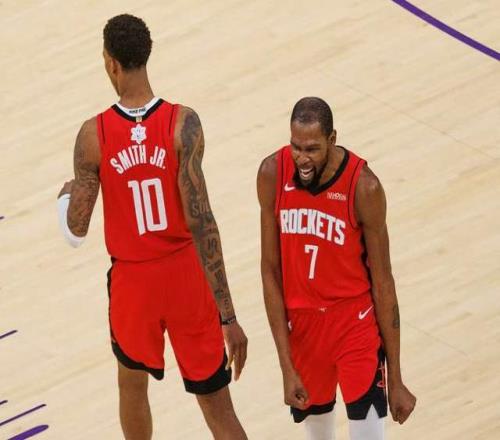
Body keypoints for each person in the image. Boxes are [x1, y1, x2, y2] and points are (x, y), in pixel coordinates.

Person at [57, 14, 248, 440]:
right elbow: (203, 221)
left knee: (131, 386)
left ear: (110, 63)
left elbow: (75, 232)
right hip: (186, 276)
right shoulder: (183, 124)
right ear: (146, 56)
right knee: (218, 406)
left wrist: (65, 199)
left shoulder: (93, 135)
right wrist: (229, 315)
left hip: (133, 283)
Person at [257, 97, 416, 440]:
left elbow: (383, 282)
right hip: (303, 330)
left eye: (312, 149)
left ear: (332, 139)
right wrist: (286, 365)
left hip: (353, 325)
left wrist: (396, 377)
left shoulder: (364, 188)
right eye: (296, 147)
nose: (302, 158)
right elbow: (269, 270)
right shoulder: (272, 173)